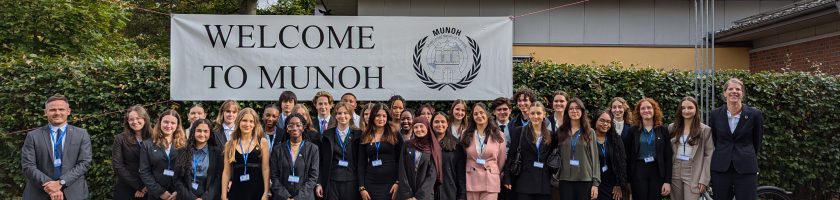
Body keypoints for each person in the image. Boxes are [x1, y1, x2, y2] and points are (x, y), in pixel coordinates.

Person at [22, 94, 92, 200]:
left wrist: (61, 182)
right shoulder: (33, 136)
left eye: (61, 109)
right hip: (39, 192)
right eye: (52, 110)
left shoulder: (81, 134)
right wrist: (50, 185)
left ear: (68, 111)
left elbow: (84, 162)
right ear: (45, 112)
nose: (57, 113)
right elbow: (28, 165)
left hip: (73, 193)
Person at [709, 78, 763, 200]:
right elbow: (714, 139)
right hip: (721, 168)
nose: (734, 91)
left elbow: (757, 141)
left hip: (746, 168)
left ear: (742, 93)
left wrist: (746, 155)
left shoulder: (755, 114)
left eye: (738, 89)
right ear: (724, 93)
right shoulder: (715, 114)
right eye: (730, 89)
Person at [504, 102, 555, 200]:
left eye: (539, 113)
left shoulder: (551, 135)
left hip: (543, 184)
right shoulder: (519, 131)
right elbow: (511, 156)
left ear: (544, 114)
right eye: (532, 113)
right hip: (524, 182)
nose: (535, 116)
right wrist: (507, 177)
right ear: (528, 114)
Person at [624, 98, 672, 200]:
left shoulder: (663, 130)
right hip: (638, 171)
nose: (646, 110)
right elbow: (627, 156)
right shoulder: (633, 131)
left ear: (654, 110)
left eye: (649, 108)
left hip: (657, 171)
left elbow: (668, 157)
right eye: (643, 108)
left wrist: (667, 181)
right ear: (639, 112)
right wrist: (627, 180)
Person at [554, 99, 601, 200]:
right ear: (567, 112)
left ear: (582, 111)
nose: (574, 111)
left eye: (577, 108)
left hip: (585, 179)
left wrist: (595, 183)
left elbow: (595, 159)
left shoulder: (590, 132)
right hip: (565, 179)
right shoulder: (561, 132)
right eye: (571, 108)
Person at [668, 97, 713, 200]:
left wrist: (704, 179)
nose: (686, 111)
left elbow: (708, 155)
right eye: (683, 108)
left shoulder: (704, 130)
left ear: (696, 109)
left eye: (690, 108)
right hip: (675, 168)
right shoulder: (672, 127)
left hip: (693, 170)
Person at [221, 108, 271, 200]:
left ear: (255, 124)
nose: (247, 124)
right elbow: (226, 172)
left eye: (251, 121)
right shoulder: (230, 144)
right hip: (236, 191)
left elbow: (266, 169)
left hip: (257, 191)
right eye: (244, 120)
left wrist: (266, 192)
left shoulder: (262, 142)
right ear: (238, 121)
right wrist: (223, 196)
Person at [317, 102, 362, 200]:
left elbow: (361, 163)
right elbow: (321, 161)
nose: (342, 116)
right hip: (332, 181)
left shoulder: (358, 135)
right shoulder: (326, 135)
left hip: (352, 181)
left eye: (345, 113)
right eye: (339, 113)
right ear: (335, 116)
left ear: (350, 115)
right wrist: (319, 182)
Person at [357, 103, 403, 200]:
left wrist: (398, 182)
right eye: (378, 115)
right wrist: (362, 187)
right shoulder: (365, 135)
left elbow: (402, 159)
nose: (381, 118)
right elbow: (361, 163)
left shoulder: (394, 133)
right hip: (370, 183)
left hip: (391, 183)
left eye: (384, 116)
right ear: (373, 116)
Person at [140, 109, 188, 200]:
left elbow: (188, 170)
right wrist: (160, 192)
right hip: (155, 195)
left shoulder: (184, 145)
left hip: (178, 194)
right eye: (165, 122)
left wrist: (179, 191)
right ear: (160, 123)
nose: (169, 125)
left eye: (173, 123)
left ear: (177, 125)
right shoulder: (147, 144)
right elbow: (144, 171)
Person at [270, 113, 320, 200]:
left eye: (298, 125)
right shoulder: (278, 150)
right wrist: (287, 196)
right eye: (291, 125)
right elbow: (274, 176)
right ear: (286, 129)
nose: (294, 128)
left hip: (305, 197)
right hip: (282, 197)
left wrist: (298, 198)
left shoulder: (313, 149)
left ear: (303, 128)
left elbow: (313, 177)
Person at [463, 103, 506, 200]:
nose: (479, 116)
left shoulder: (499, 135)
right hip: (471, 179)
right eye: (476, 113)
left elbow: (501, 160)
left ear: (487, 114)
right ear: (472, 117)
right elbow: (463, 157)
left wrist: (493, 170)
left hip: (490, 179)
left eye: (481, 112)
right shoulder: (465, 134)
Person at [174, 119, 223, 200]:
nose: (202, 134)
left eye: (205, 131)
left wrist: (205, 198)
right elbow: (177, 179)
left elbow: (218, 179)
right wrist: (191, 198)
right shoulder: (183, 151)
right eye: (199, 131)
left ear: (210, 133)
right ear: (193, 132)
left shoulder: (217, 152)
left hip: (208, 196)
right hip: (186, 196)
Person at [113, 105, 153, 199]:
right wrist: (140, 186)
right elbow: (118, 166)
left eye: (138, 118)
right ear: (127, 121)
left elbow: (159, 164)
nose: (134, 122)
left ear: (145, 119)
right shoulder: (120, 139)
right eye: (131, 119)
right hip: (127, 188)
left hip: (151, 188)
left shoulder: (154, 138)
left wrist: (146, 186)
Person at [397, 117, 441, 200]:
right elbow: (402, 169)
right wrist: (408, 195)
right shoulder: (407, 145)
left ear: (427, 128)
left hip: (425, 195)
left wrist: (419, 197)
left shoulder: (434, 147)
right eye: (416, 127)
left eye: (421, 126)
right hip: (406, 195)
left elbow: (432, 174)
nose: (419, 129)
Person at [430, 112, 466, 200]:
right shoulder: (426, 144)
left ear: (447, 124)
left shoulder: (456, 145)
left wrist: (462, 195)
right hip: (429, 191)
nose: (440, 124)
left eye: (443, 122)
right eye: (436, 122)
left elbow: (461, 174)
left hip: (449, 192)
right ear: (431, 124)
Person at [593, 111, 628, 200]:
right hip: (593, 183)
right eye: (602, 120)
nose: (605, 124)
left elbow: (622, 163)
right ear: (595, 121)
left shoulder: (615, 139)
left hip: (612, 185)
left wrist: (618, 184)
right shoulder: (588, 139)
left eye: (608, 122)